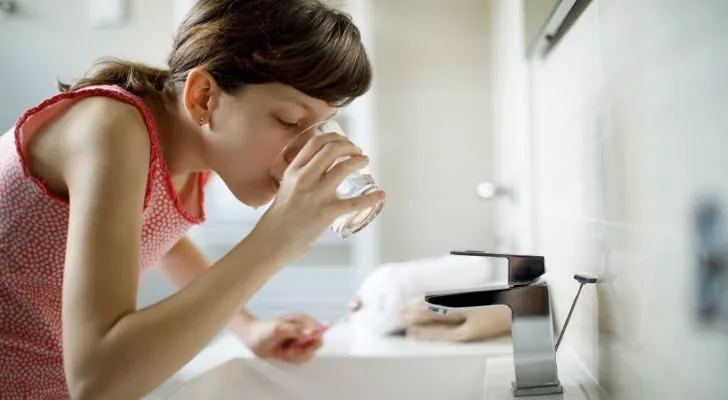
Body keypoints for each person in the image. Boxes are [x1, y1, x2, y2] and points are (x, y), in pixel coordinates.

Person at [0, 0, 384, 398]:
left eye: (319, 127)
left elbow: (159, 239)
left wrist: (247, 327)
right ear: (203, 97)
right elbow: (98, 380)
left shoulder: (190, 150)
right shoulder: (112, 128)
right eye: (289, 121)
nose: (303, 151)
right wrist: (275, 241)